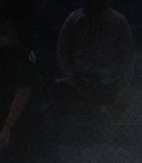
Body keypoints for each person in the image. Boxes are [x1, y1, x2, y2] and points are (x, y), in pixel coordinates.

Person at [55, 0, 133, 135]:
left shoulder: (120, 22)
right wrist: (71, 78)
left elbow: (127, 59)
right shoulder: (73, 19)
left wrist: (120, 87)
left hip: (109, 83)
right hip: (78, 81)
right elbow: (62, 54)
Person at [0, 0, 43, 163]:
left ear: (15, 30)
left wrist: (7, 128)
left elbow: (24, 90)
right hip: (6, 122)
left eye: (3, 31)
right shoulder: (3, 53)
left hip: (23, 128)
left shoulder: (22, 53)